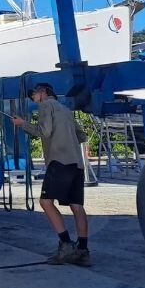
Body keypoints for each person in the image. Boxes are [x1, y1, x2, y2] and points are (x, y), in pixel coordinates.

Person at [11, 83, 90, 266]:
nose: (32, 98)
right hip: (76, 164)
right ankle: (83, 251)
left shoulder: (46, 105)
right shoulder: (66, 110)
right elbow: (82, 136)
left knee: (45, 202)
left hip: (59, 161)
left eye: (33, 94)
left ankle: (66, 244)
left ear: (43, 92)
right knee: (77, 206)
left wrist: (23, 124)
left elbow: (44, 131)